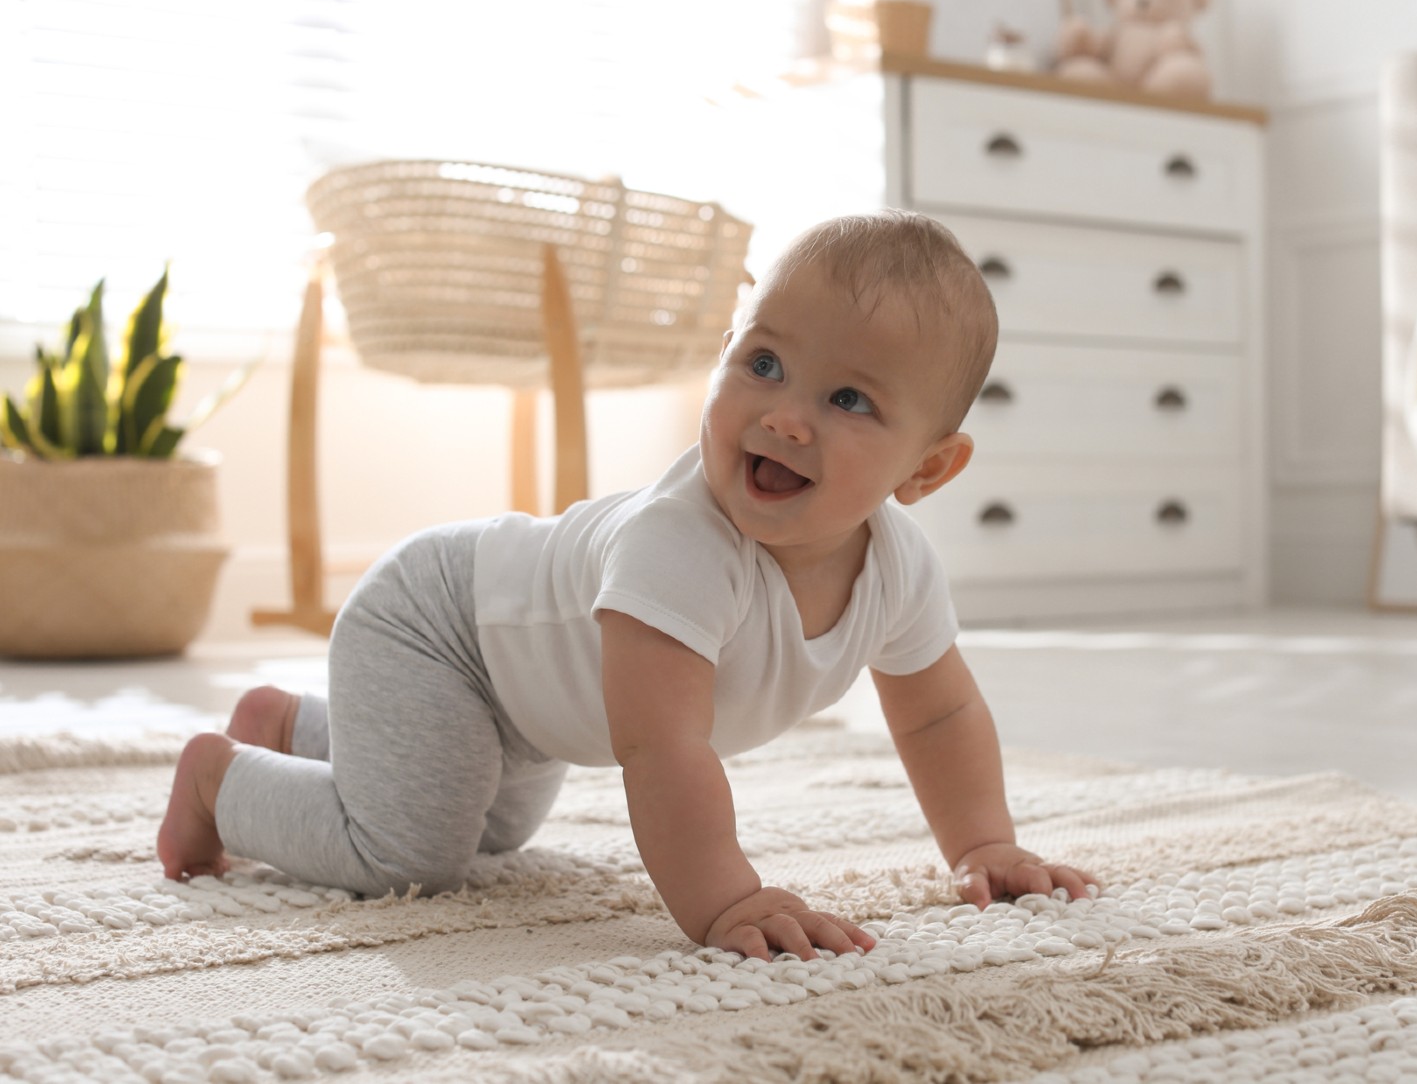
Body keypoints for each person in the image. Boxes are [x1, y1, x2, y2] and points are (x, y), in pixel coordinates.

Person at [158, 210, 1096, 962]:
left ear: (926, 471)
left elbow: (938, 717)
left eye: (847, 400)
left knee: (499, 831)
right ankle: (221, 780)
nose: (783, 415)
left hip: (525, 702)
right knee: (414, 855)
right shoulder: (680, 546)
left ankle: (295, 726)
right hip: (437, 627)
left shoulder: (899, 568)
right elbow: (661, 747)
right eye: (762, 363)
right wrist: (727, 898)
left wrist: (983, 845)